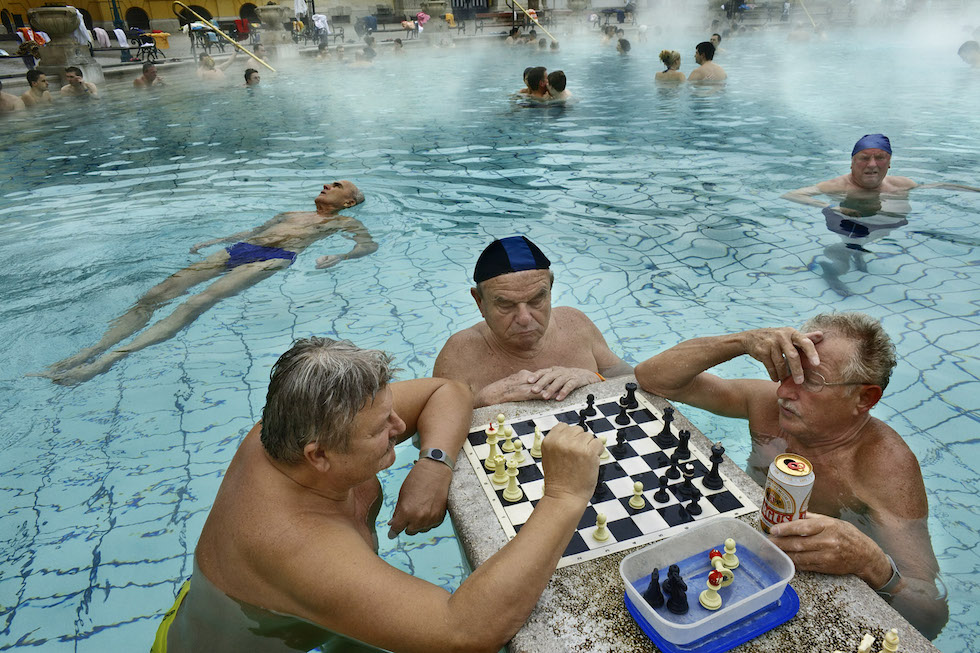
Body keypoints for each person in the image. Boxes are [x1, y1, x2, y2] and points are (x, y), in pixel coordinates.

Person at [149, 337, 602, 653]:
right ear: (319, 456)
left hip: (313, 618)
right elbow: (466, 634)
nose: (400, 427)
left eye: (390, 412)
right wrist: (563, 496)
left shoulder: (297, 426)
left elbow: (448, 391)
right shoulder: (295, 544)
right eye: (379, 429)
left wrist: (434, 464)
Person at [634, 313, 948, 639]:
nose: (784, 391)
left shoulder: (885, 469)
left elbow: (930, 614)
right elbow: (654, 378)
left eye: (811, 380)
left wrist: (873, 563)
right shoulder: (767, 405)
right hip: (733, 564)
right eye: (788, 370)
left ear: (864, 398)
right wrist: (741, 341)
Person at [44, 181, 377, 385]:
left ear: (348, 201)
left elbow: (367, 245)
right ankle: (91, 350)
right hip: (241, 249)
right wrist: (212, 241)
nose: (325, 185)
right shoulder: (289, 213)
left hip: (273, 258)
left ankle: (108, 360)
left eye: (336, 185)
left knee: (195, 302)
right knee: (155, 295)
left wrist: (339, 258)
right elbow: (251, 232)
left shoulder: (342, 221)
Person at [433, 236, 633, 408]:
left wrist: (593, 379)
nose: (524, 318)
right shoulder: (459, 354)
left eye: (536, 300)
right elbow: (425, 439)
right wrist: (482, 400)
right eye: (506, 305)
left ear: (550, 291)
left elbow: (637, 383)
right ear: (480, 302)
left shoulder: (575, 324)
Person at [781, 134, 980, 211]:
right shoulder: (838, 186)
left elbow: (940, 186)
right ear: (852, 163)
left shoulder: (901, 184)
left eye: (880, 158)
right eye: (864, 158)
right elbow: (791, 194)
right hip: (849, 229)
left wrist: (974, 190)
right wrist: (831, 207)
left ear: (890, 162)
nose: (872, 165)